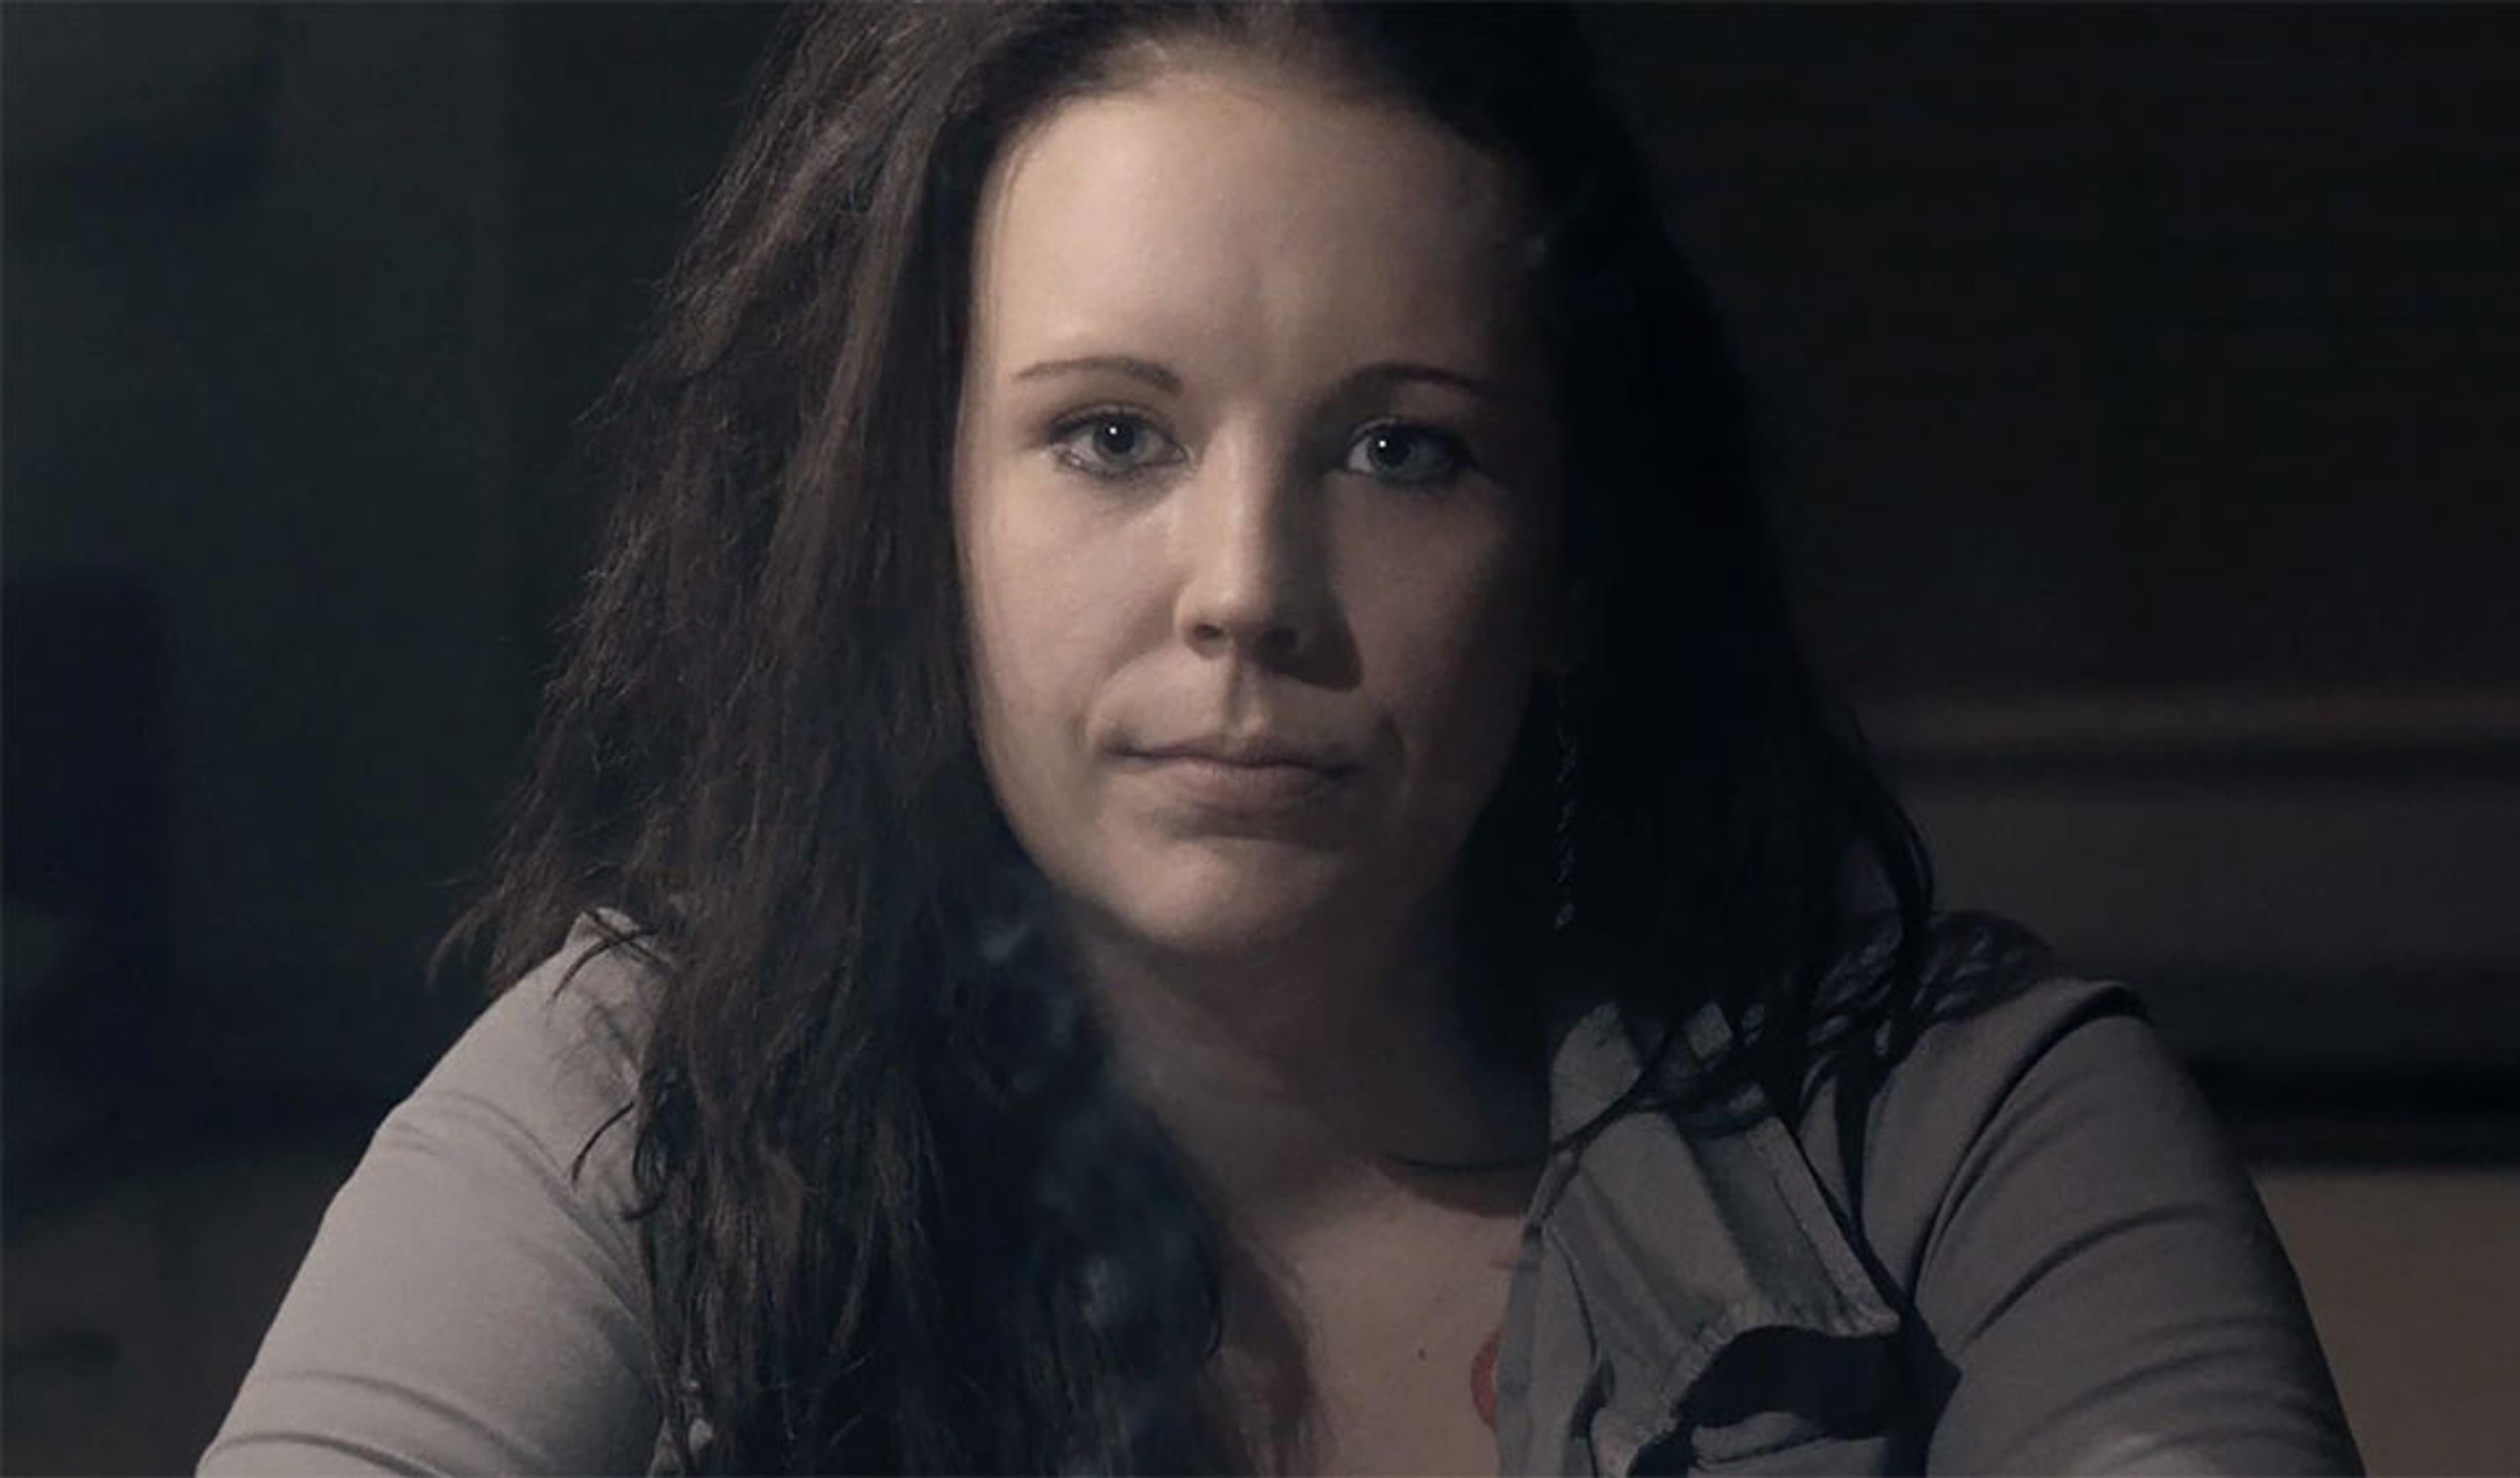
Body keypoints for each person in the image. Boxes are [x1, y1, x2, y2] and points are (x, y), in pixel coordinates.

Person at [203, 5, 2363, 1474]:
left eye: (1405, 449)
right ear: (913, 509)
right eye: (1110, 434)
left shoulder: (1958, 1126)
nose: (1249, 584)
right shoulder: (644, 1095)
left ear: (1583, 551)